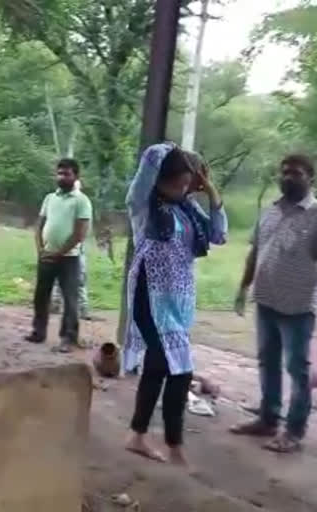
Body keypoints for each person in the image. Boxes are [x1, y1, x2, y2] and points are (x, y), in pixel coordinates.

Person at [123, 143, 226, 466]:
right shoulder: (143, 205)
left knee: (159, 368)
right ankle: (174, 445)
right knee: (179, 370)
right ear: (159, 179)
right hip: (149, 296)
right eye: (179, 182)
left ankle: (138, 436)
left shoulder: (188, 209)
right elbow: (152, 156)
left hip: (177, 301)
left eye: (188, 183)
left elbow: (219, 234)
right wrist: (174, 149)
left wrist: (210, 191)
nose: (184, 188)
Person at [231, 154, 317, 454]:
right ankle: (267, 419)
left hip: (298, 307)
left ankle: (293, 431)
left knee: (297, 369)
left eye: (295, 173)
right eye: (283, 172)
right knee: (267, 362)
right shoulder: (269, 211)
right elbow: (256, 252)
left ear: (310, 178)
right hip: (265, 300)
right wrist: (243, 288)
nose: (287, 177)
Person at [24, 159, 92, 352]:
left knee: (70, 299)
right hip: (46, 255)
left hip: (69, 257)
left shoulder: (81, 201)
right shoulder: (49, 198)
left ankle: (68, 338)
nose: (62, 177)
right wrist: (41, 250)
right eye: (59, 173)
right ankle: (38, 332)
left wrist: (58, 253)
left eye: (67, 174)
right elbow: (39, 226)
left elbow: (80, 234)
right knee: (41, 295)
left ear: (76, 176)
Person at [52, 179, 90, 319]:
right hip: (61, 246)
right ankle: (56, 305)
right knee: (58, 276)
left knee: (79, 278)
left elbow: (82, 231)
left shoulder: (82, 205)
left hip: (76, 248)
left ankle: (83, 308)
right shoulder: (61, 204)